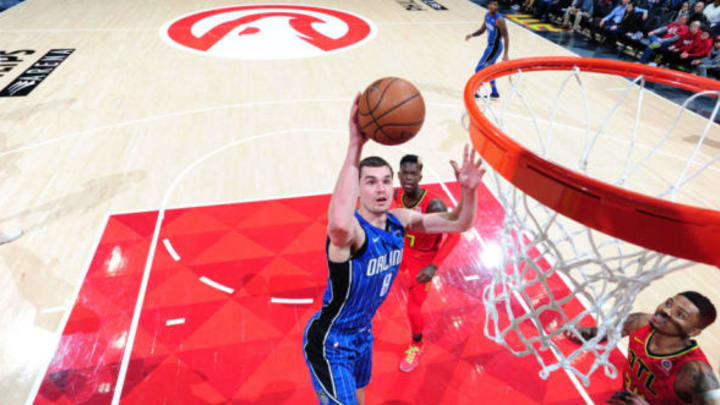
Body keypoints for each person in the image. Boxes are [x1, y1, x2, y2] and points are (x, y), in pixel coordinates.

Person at [302, 95, 486, 405]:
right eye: (371, 182)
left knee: (360, 398)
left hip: (362, 335)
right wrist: (354, 146)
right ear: (357, 188)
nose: (381, 188)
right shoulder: (354, 233)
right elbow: (337, 225)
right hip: (330, 343)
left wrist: (468, 192)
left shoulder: (400, 220)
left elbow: (459, 223)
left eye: (387, 181)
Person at [566, 291, 720, 404]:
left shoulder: (698, 375)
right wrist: (579, 332)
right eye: (669, 303)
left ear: (693, 332)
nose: (666, 311)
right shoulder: (639, 322)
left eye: (680, 315)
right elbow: (597, 334)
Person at [392, 154, 461, 373]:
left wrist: (434, 266)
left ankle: (416, 343)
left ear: (420, 175)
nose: (409, 177)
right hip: (402, 251)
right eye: (405, 173)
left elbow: (455, 235)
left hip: (423, 261)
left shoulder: (434, 204)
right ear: (399, 175)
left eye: (414, 173)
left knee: (413, 308)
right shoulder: (396, 195)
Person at [465, 0, 510, 99]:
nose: (493, 6)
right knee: (490, 70)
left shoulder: (500, 20)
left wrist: (506, 54)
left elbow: (506, 37)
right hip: (490, 46)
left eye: (495, 4)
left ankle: (476, 91)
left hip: (495, 47)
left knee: (479, 68)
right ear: (488, 5)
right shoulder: (487, 16)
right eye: (491, 4)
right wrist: (472, 34)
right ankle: (494, 93)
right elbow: (482, 30)